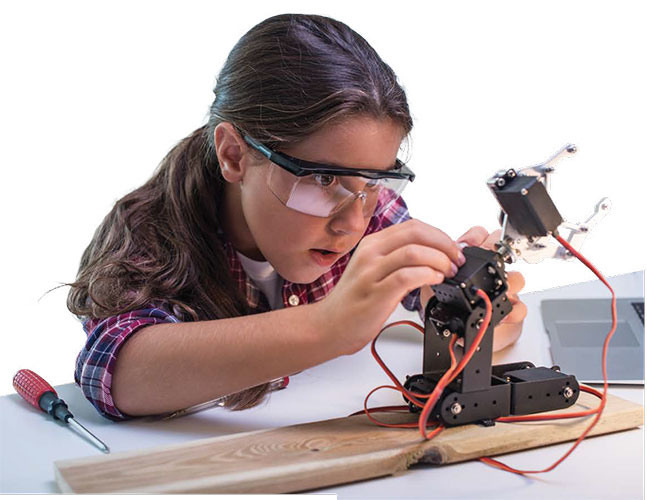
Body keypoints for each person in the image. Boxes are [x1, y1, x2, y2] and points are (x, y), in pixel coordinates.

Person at [67, 13, 527, 421]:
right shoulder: (148, 232)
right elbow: (113, 372)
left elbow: (427, 298)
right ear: (234, 155)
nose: (352, 223)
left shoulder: (371, 208)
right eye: (324, 181)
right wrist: (328, 327)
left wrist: (463, 316)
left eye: (373, 182)